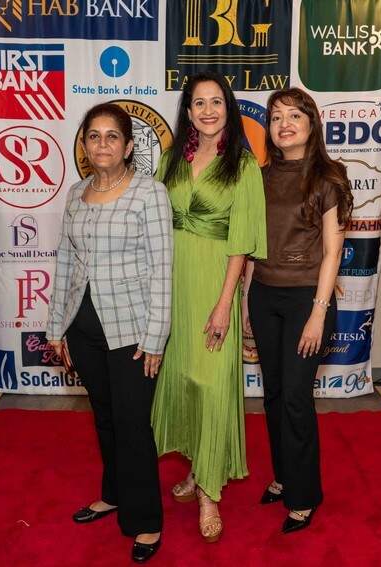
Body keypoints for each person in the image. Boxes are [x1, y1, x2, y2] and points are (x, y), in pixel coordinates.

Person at [46, 103, 173, 563]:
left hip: (133, 330)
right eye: (94, 136)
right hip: (84, 326)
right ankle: (115, 494)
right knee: (104, 416)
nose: (103, 144)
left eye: (112, 136)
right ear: (84, 145)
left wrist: (156, 337)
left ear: (129, 145)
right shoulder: (76, 193)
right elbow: (65, 261)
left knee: (133, 424)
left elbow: (162, 269)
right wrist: (56, 327)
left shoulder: (149, 192)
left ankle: (146, 520)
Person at [150, 70, 266, 544]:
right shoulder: (170, 159)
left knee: (212, 386)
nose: (208, 110)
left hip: (216, 282)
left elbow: (242, 242)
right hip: (172, 283)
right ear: (188, 111)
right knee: (182, 381)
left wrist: (225, 305)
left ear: (228, 107)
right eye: (199, 102)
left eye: (216, 101)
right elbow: (153, 223)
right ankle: (198, 469)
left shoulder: (244, 164)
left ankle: (209, 493)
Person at [243, 87, 353, 534]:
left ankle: (304, 495)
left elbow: (333, 252)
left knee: (295, 397)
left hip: (308, 298)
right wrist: (247, 300)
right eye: (276, 117)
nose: (283, 124)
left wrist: (317, 313)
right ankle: (284, 475)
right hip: (264, 296)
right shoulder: (259, 177)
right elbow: (252, 246)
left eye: (293, 116)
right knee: (272, 395)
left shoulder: (329, 178)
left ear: (311, 124)